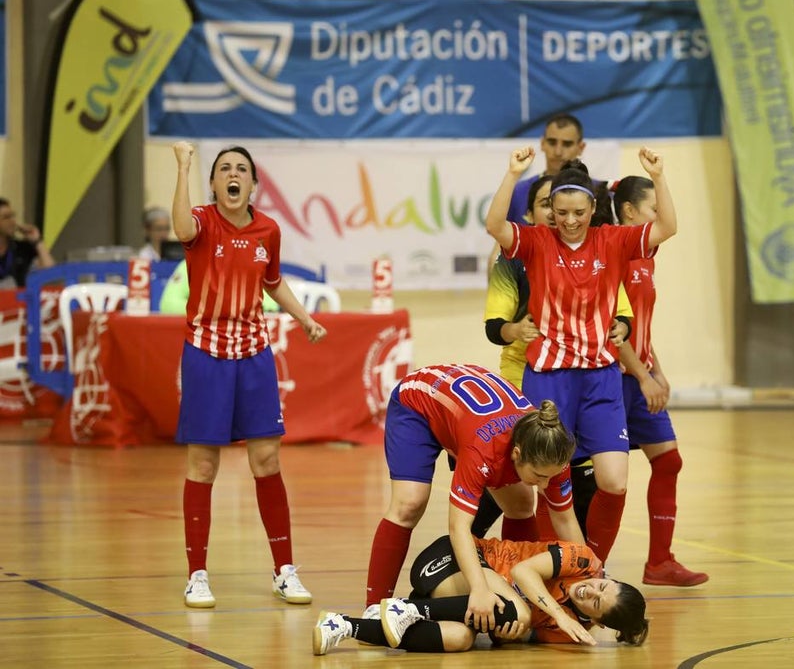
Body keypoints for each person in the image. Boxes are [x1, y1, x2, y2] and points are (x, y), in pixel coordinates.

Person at [485, 145, 677, 566]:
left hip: (601, 378)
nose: (570, 221)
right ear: (551, 212)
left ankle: (592, 567)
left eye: (579, 212)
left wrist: (659, 177)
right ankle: (555, 569)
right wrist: (512, 174)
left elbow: (667, 226)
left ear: (593, 209)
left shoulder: (612, 240)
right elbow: (494, 225)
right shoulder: (537, 241)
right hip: (549, 378)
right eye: (561, 212)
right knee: (550, 480)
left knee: (614, 481)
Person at [171, 141, 327, 609]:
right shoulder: (201, 221)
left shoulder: (268, 230)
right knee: (203, 465)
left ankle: (284, 571)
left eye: (241, 169)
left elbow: (272, 281)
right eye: (224, 169)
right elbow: (180, 227)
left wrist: (304, 318)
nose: (233, 174)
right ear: (214, 184)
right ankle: (197, 575)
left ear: (253, 184)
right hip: (205, 355)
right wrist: (183, 165)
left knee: (267, 461)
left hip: (254, 355)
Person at [363, 363, 583, 632]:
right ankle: (373, 608)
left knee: (522, 504)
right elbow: (458, 527)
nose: (545, 485)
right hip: (418, 400)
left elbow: (566, 520)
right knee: (409, 504)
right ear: (516, 454)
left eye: (549, 477)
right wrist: (479, 590)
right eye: (539, 476)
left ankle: (514, 593)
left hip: (469, 415)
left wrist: (590, 574)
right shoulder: (484, 450)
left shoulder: (553, 449)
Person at [479, 169, 630, 540]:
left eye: (569, 208)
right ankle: (487, 545)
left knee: (591, 479)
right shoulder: (516, 256)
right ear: (530, 213)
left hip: (588, 375)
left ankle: (579, 562)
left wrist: (623, 326)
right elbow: (494, 328)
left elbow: (620, 311)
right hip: (525, 375)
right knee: (522, 481)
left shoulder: (597, 250)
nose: (559, 215)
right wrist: (517, 330)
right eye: (549, 205)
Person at [314, 534, 648, 655]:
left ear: (597, 622)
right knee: (518, 611)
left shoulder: (574, 631)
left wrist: (508, 636)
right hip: (455, 558)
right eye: (603, 585)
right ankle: (408, 608)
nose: (590, 590)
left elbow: (513, 634)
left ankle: (344, 626)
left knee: (460, 639)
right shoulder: (585, 560)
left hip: (467, 601)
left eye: (595, 603)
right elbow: (522, 573)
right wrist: (557, 614)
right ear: (609, 578)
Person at [611, 175, 708, 586]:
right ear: (630, 211)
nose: (661, 216)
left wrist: (657, 369)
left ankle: (660, 562)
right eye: (654, 208)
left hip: (639, 375)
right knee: (603, 479)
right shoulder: (615, 251)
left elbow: (639, 325)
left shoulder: (646, 256)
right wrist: (642, 374)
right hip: (614, 380)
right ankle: (584, 564)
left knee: (668, 461)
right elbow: (611, 330)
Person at [506, 113, 587, 224]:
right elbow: (500, 233)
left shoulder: (597, 191)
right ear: (542, 143)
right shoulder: (519, 191)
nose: (558, 152)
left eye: (567, 144)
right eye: (552, 142)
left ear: (581, 147)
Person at [159, 259, 279, 315]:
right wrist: (212, 312)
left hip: (246, 338)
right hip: (202, 337)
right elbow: (168, 304)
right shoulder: (190, 263)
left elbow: (271, 307)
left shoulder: (250, 264)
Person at [0, 198, 54, 288]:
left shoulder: (22, 248)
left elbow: (51, 274)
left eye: (13, 216)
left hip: (20, 296)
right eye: (6, 217)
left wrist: (37, 240)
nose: (13, 221)